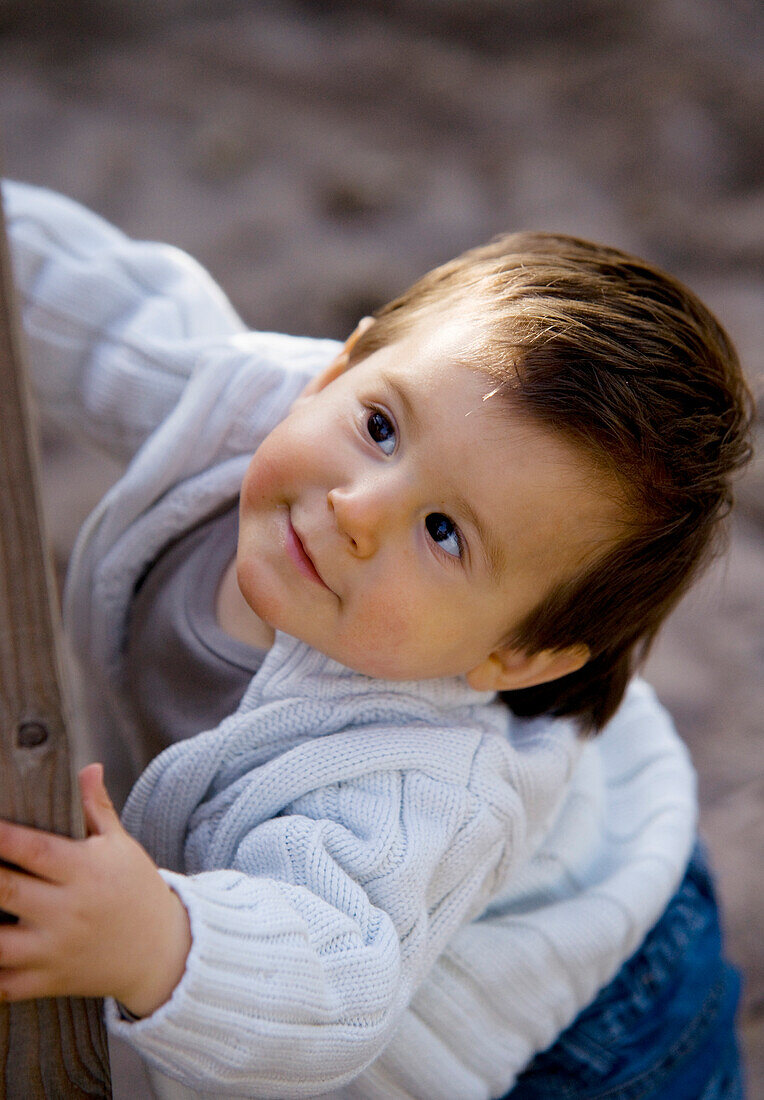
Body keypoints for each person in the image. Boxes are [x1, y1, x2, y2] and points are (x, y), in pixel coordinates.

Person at [0, 180, 751, 1099]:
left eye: (444, 532)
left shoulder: (411, 783)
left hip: (593, 1019)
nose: (356, 508)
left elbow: (331, 983)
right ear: (335, 369)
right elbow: (93, 303)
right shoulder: (233, 406)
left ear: (513, 656)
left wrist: (156, 940)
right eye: (382, 426)